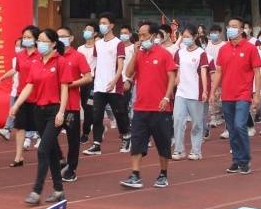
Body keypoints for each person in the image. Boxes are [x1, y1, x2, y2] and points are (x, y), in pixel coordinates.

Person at [11, 29, 71, 205]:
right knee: (51, 151)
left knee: (43, 149)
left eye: (43, 40)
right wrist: (16, 104)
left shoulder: (61, 62)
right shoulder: (36, 62)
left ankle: (36, 191)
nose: (40, 43)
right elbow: (29, 86)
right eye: (39, 40)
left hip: (55, 110)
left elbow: (65, 88)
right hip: (39, 110)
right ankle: (59, 190)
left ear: (53, 43)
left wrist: (61, 111)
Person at [121, 22, 178, 189]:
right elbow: (128, 73)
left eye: (144, 35)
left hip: (160, 108)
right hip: (140, 107)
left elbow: (172, 77)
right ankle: (135, 174)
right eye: (139, 35)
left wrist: (166, 98)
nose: (141, 38)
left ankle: (163, 174)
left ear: (153, 36)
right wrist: (134, 53)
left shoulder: (164, 54)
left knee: (163, 143)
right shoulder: (139, 54)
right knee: (137, 141)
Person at [209, 18, 261, 174]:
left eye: (234, 27)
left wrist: (257, 94)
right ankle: (236, 160)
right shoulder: (223, 49)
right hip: (227, 94)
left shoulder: (250, 48)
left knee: (240, 125)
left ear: (241, 30)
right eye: (229, 26)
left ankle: (245, 160)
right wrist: (213, 91)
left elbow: (257, 72)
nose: (230, 29)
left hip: (243, 94)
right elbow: (219, 71)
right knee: (232, 129)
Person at [0, 27, 42, 166]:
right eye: (24, 37)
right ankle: (18, 157)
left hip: (39, 97)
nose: (25, 40)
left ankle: (56, 157)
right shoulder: (20, 55)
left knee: (42, 128)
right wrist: (1, 78)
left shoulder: (41, 55)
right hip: (22, 96)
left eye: (28, 37)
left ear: (36, 39)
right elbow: (15, 70)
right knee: (20, 127)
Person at [84, 13, 128, 156]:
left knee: (119, 113)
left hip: (114, 85)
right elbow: (97, 64)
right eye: (100, 23)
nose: (102, 25)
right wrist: (92, 78)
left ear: (112, 25)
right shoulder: (97, 44)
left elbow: (120, 65)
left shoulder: (118, 43)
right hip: (99, 85)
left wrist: (115, 80)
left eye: (104, 23)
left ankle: (126, 136)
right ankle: (96, 144)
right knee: (96, 116)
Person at [57, 26, 92, 183]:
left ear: (71, 38)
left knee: (72, 141)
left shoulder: (78, 56)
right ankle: (60, 160)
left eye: (64, 36)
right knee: (47, 137)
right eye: (58, 36)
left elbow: (88, 77)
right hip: (54, 105)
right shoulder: (53, 57)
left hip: (71, 107)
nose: (61, 39)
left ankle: (71, 169)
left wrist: (70, 84)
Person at [172, 27, 209, 160]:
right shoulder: (180, 53)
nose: (185, 39)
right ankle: (179, 149)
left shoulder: (201, 53)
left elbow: (204, 73)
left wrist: (205, 91)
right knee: (177, 120)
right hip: (181, 92)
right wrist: (173, 85)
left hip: (196, 93)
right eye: (184, 36)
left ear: (194, 37)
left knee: (196, 123)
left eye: (188, 36)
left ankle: (196, 150)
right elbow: (177, 72)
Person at [77, 23, 98, 143]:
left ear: (95, 33)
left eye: (89, 30)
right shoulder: (80, 48)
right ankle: (98, 125)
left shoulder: (98, 46)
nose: (86, 32)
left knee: (89, 106)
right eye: (85, 30)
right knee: (85, 106)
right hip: (82, 80)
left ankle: (85, 133)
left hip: (94, 80)